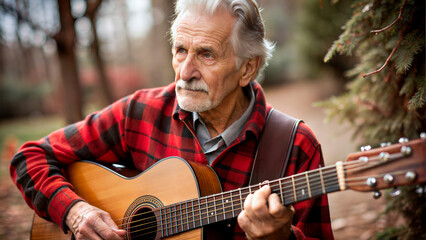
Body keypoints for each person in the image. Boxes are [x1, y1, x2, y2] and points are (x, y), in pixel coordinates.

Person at [10, 0, 334, 239]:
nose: (186, 72)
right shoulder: (140, 113)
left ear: (247, 68)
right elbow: (29, 158)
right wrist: (74, 211)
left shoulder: (295, 146)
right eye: (181, 50)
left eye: (206, 54)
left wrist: (281, 239)